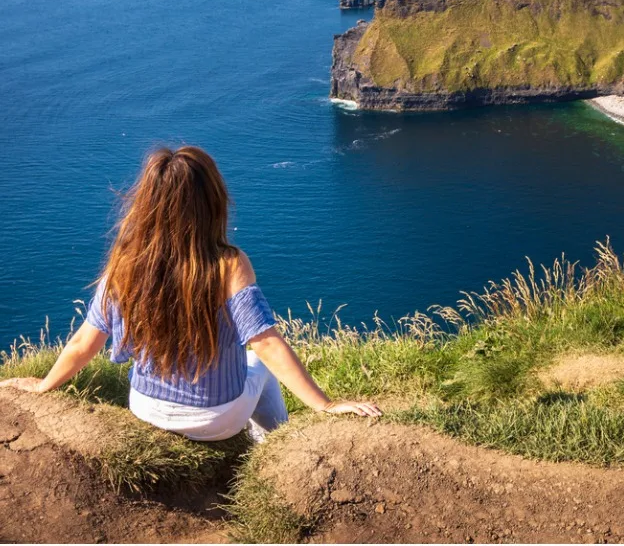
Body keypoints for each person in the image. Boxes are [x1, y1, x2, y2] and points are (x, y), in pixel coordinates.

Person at [0, 146, 381, 441]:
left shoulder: (126, 262)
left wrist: (44, 384)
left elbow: (86, 341)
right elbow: (265, 343)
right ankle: (273, 448)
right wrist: (326, 404)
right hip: (218, 417)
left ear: (146, 203)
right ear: (213, 201)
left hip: (146, 408)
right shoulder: (229, 264)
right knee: (260, 366)